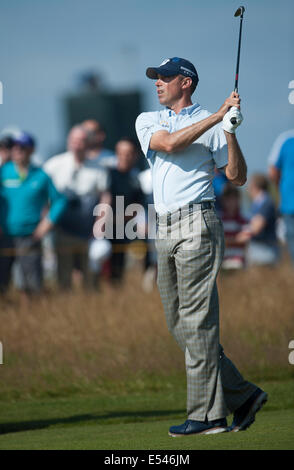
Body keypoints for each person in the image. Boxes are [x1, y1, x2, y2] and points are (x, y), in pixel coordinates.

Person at [135, 57, 267, 436]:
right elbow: (172, 144)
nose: (157, 83)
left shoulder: (214, 120)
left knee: (197, 320)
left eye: (164, 78)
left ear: (186, 82)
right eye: (155, 78)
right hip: (164, 227)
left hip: (198, 222)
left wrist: (230, 131)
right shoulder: (149, 120)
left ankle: (208, 415)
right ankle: (243, 395)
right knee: (179, 322)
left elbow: (237, 177)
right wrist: (217, 118)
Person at [0, 132, 67, 300]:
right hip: (4, 236)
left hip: (30, 235)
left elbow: (59, 200)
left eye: (22, 147)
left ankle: (32, 315)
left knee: (32, 284)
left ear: (31, 150)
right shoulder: (3, 172)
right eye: (14, 147)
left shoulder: (41, 175)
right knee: (1, 281)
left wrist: (47, 223)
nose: (17, 150)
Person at [44, 125, 111, 289]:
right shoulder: (54, 165)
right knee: (63, 275)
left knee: (90, 275)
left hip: (88, 231)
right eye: (74, 140)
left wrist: (99, 225)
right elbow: (43, 195)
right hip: (62, 230)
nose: (77, 144)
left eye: (81, 140)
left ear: (88, 143)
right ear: (68, 141)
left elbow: (104, 197)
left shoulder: (99, 168)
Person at [107, 137, 145, 283]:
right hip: (105, 230)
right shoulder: (107, 175)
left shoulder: (135, 178)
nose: (124, 157)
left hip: (126, 229)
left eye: (128, 153)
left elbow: (139, 205)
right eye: (121, 153)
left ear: (135, 155)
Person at [268, 129, 294, 263]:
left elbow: (273, 172)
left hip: (289, 204)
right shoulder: (285, 139)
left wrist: (282, 189)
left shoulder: (285, 140)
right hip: (289, 205)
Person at [243, 173, 280, 266]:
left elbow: (256, 228)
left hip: (264, 251)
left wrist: (236, 238)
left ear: (254, 187)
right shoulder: (258, 203)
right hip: (262, 250)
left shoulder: (265, 202)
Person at [220, 183, 248, 270]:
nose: (231, 202)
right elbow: (219, 241)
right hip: (223, 262)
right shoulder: (220, 220)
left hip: (239, 261)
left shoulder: (242, 219)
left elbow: (246, 238)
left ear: (238, 200)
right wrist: (236, 239)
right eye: (228, 199)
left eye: (234, 199)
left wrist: (227, 240)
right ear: (223, 201)